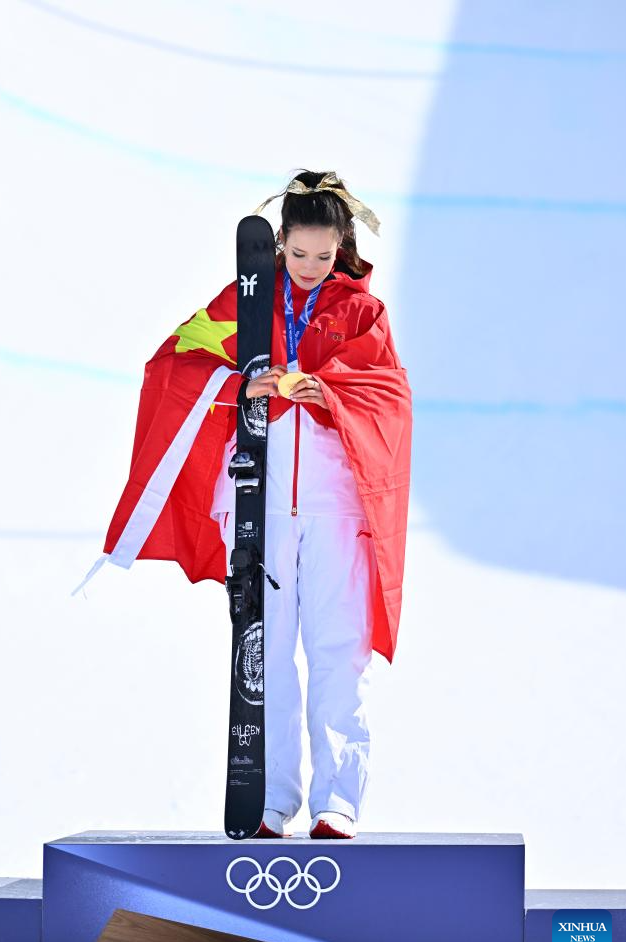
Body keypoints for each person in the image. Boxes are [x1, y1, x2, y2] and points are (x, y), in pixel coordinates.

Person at [77, 169, 412, 840]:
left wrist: (328, 392)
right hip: (258, 501)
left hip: (336, 508)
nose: (311, 266)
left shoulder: (360, 312)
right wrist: (237, 383)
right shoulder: (245, 300)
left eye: (324, 255)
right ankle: (270, 798)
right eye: (299, 252)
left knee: (338, 650)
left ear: (341, 246)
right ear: (279, 241)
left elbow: (388, 394)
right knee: (264, 652)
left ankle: (337, 801)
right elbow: (174, 360)